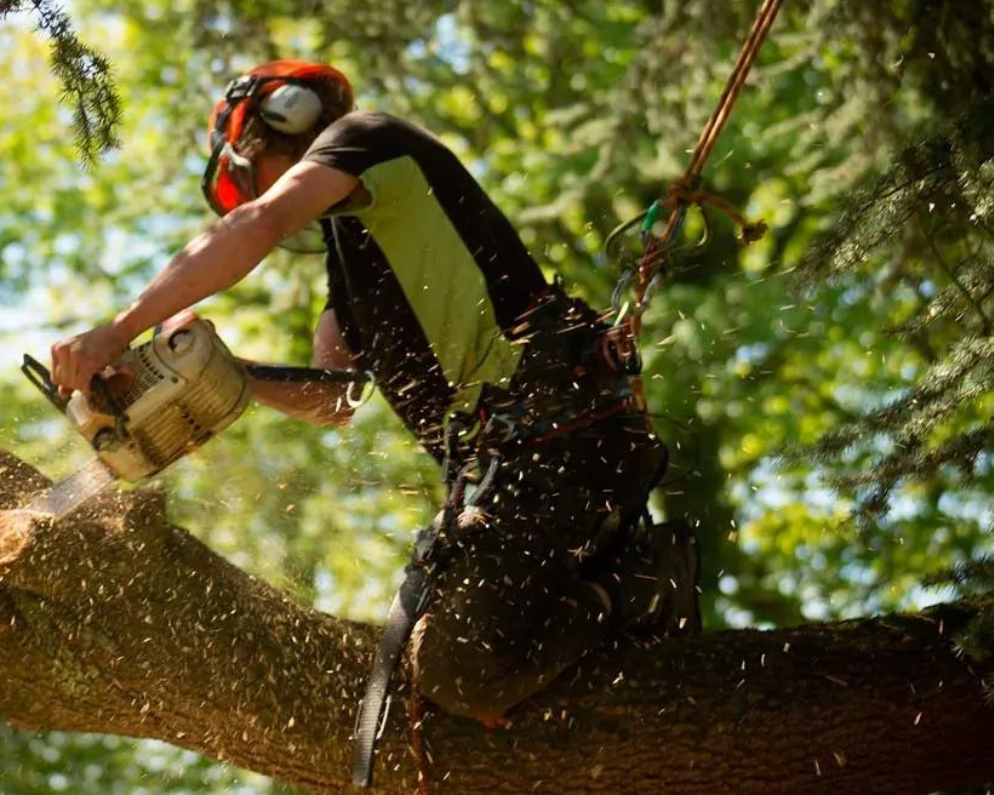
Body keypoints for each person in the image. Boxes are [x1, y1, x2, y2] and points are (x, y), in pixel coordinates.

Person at [49, 60, 699, 725]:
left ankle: (647, 579)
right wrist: (231, 375)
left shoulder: (371, 140)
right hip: (509, 473)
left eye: (249, 179)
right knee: (451, 692)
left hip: (558, 436)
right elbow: (337, 400)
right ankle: (616, 602)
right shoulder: (349, 260)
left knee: (462, 670)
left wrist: (119, 330)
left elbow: (258, 225)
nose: (255, 198)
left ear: (282, 121)